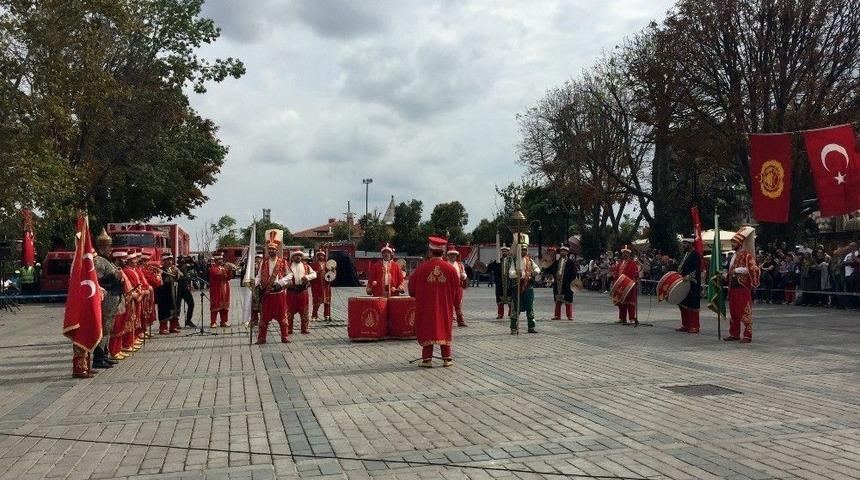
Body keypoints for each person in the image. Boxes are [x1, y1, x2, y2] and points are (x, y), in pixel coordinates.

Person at [409, 236, 459, 367]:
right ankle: (447, 358)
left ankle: (427, 359)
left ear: (430, 251)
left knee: (428, 329)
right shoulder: (451, 269)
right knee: (444, 328)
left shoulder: (421, 268)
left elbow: (411, 289)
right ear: (443, 252)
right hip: (444, 306)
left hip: (426, 307)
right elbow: (456, 289)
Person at [92, 229, 123, 369]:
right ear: (102, 247)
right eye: (107, 247)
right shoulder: (99, 261)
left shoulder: (107, 260)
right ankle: (98, 357)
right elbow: (96, 280)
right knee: (104, 328)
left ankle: (105, 354)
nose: (110, 249)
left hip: (113, 298)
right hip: (107, 298)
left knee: (108, 328)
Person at [725, 226, 760, 343]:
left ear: (740, 243)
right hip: (733, 287)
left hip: (742, 287)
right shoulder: (733, 256)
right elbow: (731, 270)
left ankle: (747, 335)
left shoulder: (747, 255)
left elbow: (753, 269)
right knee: (734, 311)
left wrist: (737, 270)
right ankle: (734, 334)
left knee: (744, 311)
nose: (732, 244)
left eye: (734, 242)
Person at [255, 238, 290, 344]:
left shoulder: (283, 262)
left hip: (279, 294)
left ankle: (285, 337)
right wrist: (254, 282)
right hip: (267, 294)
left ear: (276, 250)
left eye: (273, 249)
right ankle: (261, 338)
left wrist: (280, 282)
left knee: (283, 318)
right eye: (269, 249)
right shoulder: (263, 262)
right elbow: (259, 276)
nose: (271, 251)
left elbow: (290, 275)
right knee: (264, 319)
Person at [509, 243, 541, 334]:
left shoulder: (530, 260)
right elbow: (510, 273)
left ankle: (531, 327)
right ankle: (513, 328)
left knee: (530, 307)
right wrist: (516, 274)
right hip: (517, 287)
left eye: (525, 250)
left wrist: (535, 272)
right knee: (516, 307)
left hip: (528, 287)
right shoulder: (515, 260)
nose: (524, 251)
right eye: (522, 250)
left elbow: (537, 268)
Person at [285, 249, 316, 334]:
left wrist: (308, 277)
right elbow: (283, 276)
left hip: (303, 292)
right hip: (291, 292)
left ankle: (304, 328)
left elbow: (314, 274)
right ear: (293, 257)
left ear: (301, 257)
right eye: (296, 256)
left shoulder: (306, 266)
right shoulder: (288, 266)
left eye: (299, 256)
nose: (298, 257)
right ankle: (289, 329)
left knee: (304, 311)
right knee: (289, 311)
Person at [108, 251, 132, 361]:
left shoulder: (119, 269)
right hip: (113, 300)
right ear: (117, 259)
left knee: (120, 326)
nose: (125, 260)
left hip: (121, 300)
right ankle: (113, 351)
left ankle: (118, 349)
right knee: (115, 327)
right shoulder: (111, 269)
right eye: (123, 258)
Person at [544, 245, 578, 321]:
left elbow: (574, 273)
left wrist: (571, 281)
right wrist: (545, 264)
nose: (563, 252)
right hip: (558, 283)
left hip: (567, 284)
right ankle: (557, 315)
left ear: (567, 252)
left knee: (568, 300)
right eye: (561, 251)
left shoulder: (570, 263)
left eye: (564, 251)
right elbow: (550, 269)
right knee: (558, 300)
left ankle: (569, 316)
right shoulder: (556, 262)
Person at [676, 237, 701, 334]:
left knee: (692, 305)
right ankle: (685, 325)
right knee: (683, 304)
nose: (683, 245)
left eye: (685, 243)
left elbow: (696, 269)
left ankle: (695, 326)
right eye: (683, 243)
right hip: (683, 283)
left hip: (692, 283)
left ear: (691, 244)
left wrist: (688, 276)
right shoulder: (685, 254)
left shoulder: (695, 255)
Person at [613, 246, 640, 325]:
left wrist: (635, 280)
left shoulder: (632, 263)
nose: (625, 254)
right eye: (624, 253)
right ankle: (622, 318)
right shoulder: (620, 263)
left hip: (629, 285)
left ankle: (631, 318)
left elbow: (635, 273)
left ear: (629, 254)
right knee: (621, 302)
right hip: (620, 285)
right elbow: (616, 272)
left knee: (630, 302)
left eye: (626, 253)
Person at [156, 255, 182, 334]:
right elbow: (160, 281)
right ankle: (163, 327)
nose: (170, 262)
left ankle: (173, 326)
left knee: (175, 309)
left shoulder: (174, 268)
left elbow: (180, 277)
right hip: (164, 294)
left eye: (171, 260)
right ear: (164, 261)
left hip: (174, 293)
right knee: (165, 310)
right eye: (168, 260)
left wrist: (177, 274)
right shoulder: (160, 270)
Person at [486, 246, 513, 319]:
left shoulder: (512, 261)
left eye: (506, 251)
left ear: (508, 252)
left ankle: (511, 313)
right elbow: (489, 269)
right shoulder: (498, 261)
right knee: (499, 298)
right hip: (500, 283)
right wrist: (490, 264)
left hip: (509, 282)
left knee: (510, 298)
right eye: (503, 251)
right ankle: (500, 314)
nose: (504, 252)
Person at [208, 254, 233, 328]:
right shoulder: (213, 268)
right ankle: (213, 322)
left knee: (224, 306)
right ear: (215, 261)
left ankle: (223, 321)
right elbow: (218, 275)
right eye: (219, 259)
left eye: (221, 259)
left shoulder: (222, 268)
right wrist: (226, 269)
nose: (221, 260)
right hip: (216, 290)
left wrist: (230, 271)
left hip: (225, 289)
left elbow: (228, 277)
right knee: (215, 305)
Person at [446, 248, 468, 327]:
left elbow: (464, 274)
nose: (453, 257)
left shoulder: (459, 265)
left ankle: (460, 321)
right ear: (448, 256)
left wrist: (464, 276)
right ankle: (448, 321)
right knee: (447, 304)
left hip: (458, 287)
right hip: (447, 287)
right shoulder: (445, 264)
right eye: (451, 255)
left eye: (454, 256)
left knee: (458, 304)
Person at [309, 250, 333, 321]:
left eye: (322, 255)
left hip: (326, 286)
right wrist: (317, 272)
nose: (320, 257)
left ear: (324, 256)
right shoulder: (313, 265)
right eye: (319, 255)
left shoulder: (327, 265)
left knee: (327, 301)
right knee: (316, 301)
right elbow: (310, 274)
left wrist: (333, 271)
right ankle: (314, 316)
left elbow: (332, 274)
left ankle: (327, 315)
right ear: (317, 257)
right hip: (317, 286)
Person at [177, 256, 197, 328]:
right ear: (178, 262)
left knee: (191, 304)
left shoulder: (186, 267)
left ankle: (188, 320)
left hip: (185, 289)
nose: (182, 263)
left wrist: (191, 259)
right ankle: (176, 322)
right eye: (180, 261)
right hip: (178, 289)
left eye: (183, 261)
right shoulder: (176, 268)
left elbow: (196, 266)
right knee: (177, 307)